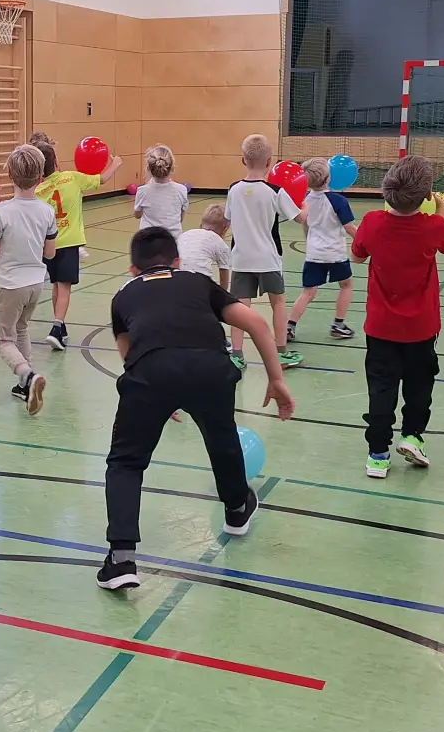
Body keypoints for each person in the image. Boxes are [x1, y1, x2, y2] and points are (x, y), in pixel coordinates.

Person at [96, 227, 296, 590]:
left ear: (132, 269)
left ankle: (121, 560)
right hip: (210, 369)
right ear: (177, 261)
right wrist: (276, 379)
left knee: (125, 462)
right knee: (222, 441)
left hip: (150, 374)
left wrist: (157, 398)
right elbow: (255, 323)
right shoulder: (197, 281)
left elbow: (128, 354)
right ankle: (237, 511)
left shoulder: (123, 295)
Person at [350, 155, 444, 479]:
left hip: (381, 327)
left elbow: (356, 256)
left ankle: (378, 454)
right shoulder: (434, 226)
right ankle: (412, 436)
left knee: (381, 389)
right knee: (419, 385)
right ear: (426, 195)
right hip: (422, 327)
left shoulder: (372, 222)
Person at [0, 145, 58, 413]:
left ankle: (26, 374)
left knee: (3, 339)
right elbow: (50, 252)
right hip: (36, 282)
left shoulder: (1, 212)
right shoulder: (46, 211)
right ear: (40, 178)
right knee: (21, 328)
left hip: (12, 283)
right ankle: (26, 386)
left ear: (10, 176)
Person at [226, 134, 303, 370]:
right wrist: (306, 204)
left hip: (240, 259)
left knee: (239, 307)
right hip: (268, 258)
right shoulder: (275, 191)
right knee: (278, 302)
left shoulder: (233, 190)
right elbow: (299, 218)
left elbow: (228, 219)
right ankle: (280, 352)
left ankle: (237, 355)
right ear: (270, 162)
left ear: (243, 160)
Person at [35, 139, 121, 350]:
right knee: (64, 288)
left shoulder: (39, 191)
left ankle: (61, 327)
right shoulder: (72, 178)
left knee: (56, 285)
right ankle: (56, 328)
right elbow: (102, 179)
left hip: (49, 245)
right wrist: (115, 164)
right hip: (69, 242)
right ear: (56, 162)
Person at [288, 157, 358, 342]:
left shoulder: (305, 200)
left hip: (313, 254)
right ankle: (338, 324)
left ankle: (290, 327)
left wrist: (309, 242)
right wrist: (365, 243)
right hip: (335, 254)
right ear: (328, 178)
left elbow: (305, 224)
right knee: (347, 285)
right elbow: (350, 228)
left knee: (308, 292)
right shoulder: (338, 201)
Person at [132, 144, 190, 236]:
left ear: (148, 168)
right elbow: (180, 218)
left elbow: (137, 215)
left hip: (148, 240)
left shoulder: (142, 191)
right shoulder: (181, 190)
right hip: (172, 240)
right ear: (172, 167)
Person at [177, 204, 232, 289]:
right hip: (200, 282)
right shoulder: (219, 242)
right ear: (225, 229)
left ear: (200, 224)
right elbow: (223, 274)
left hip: (177, 278)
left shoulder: (186, 234)